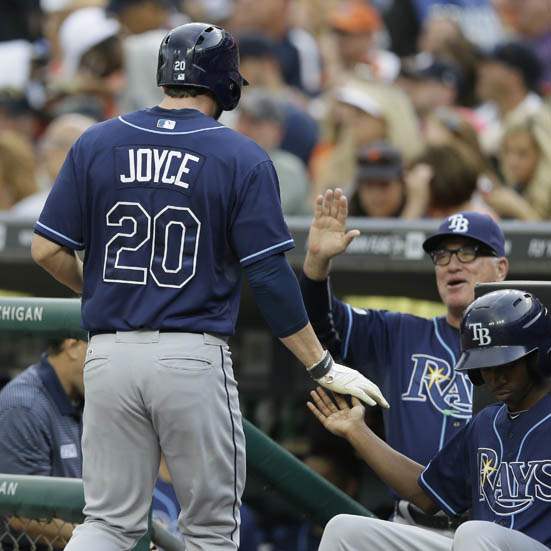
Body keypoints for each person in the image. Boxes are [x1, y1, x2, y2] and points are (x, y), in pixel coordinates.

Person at [30, 22, 387, 551]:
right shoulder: (240, 155)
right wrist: (321, 364)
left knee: (106, 523)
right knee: (210, 531)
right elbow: (268, 276)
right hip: (189, 356)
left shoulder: (97, 140)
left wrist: (105, 290)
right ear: (226, 84)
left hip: (108, 355)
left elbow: (45, 250)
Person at [301, 190, 509, 532]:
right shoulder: (399, 333)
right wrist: (316, 263)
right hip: (410, 525)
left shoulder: (523, 351)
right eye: (442, 255)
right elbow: (321, 325)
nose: (452, 264)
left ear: (501, 268)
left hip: (489, 528)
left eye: (468, 252)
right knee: (342, 533)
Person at [310, 288, 551, 550]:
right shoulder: (485, 424)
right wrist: (357, 431)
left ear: (538, 356)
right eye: (486, 365)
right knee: (344, 530)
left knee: (474, 533)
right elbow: (425, 495)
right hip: (478, 544)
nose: (495, 376)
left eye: (506, 363)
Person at [0, 337, 87, 549]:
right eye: (102, 353)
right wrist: (106, 541)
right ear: (72, 346)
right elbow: (22, 515)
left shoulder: (82, 397)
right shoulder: (24, 406)